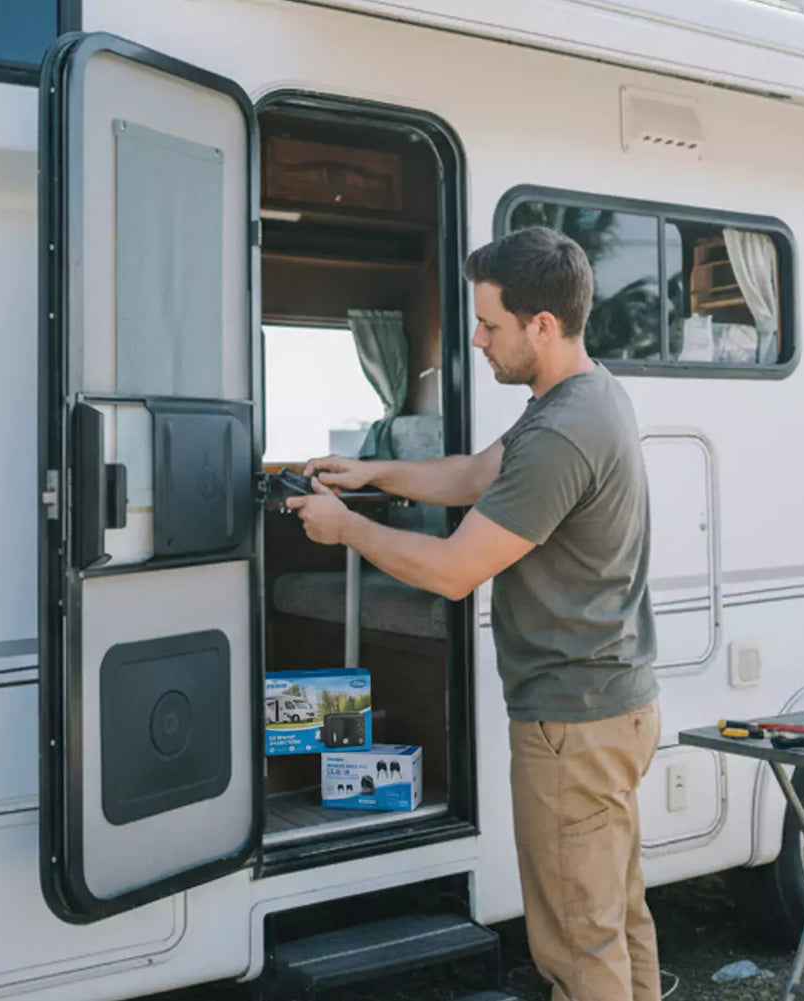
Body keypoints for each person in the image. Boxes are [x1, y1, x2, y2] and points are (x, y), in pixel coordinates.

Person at [287, 226, 661, 1001]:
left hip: (570, 724)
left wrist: (346, 529)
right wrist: (373, 470)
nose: (478, 340)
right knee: (617, 919)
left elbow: (456, 570)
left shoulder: (562, 430)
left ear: (543, 326)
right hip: (612, 706)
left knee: (577, 944)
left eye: (490, 324)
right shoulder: (580, 395)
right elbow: (474, 475)